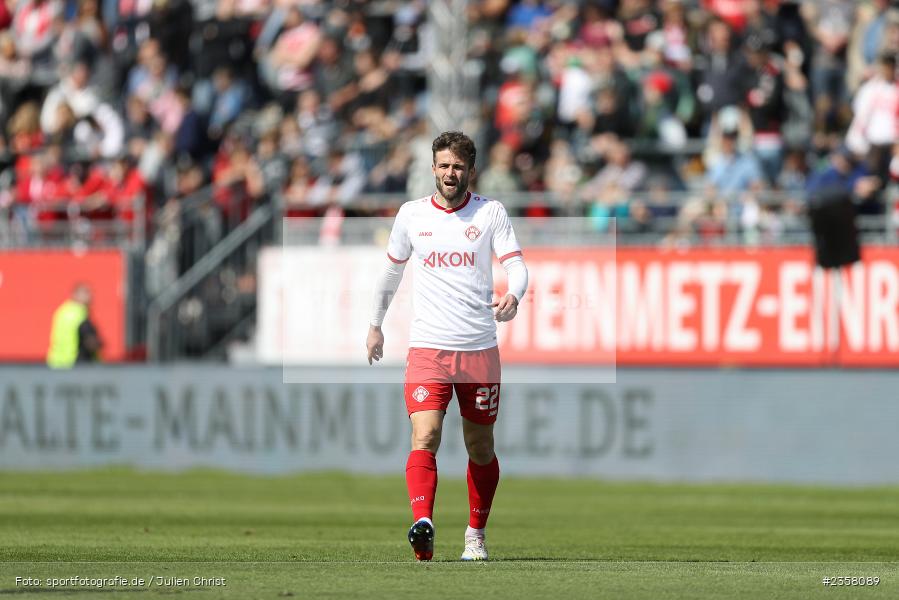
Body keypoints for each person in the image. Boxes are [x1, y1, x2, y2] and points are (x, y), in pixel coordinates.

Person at [365, 131, 529, 562]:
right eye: (443, 165)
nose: (449, 173)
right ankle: (424, 523)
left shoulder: (490, 213)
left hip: (478, 349)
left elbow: (516, 264)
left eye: (457, 167)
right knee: (426, 434)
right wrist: (375, 325)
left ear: (471, 171)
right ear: (432, 168)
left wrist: (514, 295)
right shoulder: (411, 215)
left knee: (480, 447)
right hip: (428, 348)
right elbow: (390, 274)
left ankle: (475, 534)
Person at [47, 283, 103, 368]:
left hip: (56, 362)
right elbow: (91, 342)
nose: (90, 297)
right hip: (75, 364)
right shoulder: (80, 315)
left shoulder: (62, 311)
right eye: (86, 293)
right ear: (76, 295)